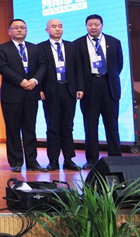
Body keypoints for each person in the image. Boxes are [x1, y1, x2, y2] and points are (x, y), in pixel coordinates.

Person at [0, 19, 47, 172]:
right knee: (13, 129)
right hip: (12, 94)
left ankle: (32, 162)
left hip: (31, 93)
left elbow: (42, 65)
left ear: (26, 31)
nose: (19, 30)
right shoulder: (2, 48)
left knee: (30, 128)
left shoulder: (35, 48)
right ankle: (16, 162)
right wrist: (21, 81)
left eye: (22, 28)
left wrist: (35, 80)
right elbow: (3, 68)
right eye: (16, 28)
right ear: (9, 31)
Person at [75, 13, 124, 169]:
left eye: (96, 24)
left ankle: (115, 157)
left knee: (112, 124)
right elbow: (77, 68)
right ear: (86, 26)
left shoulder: (114, 42)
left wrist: (109, 77)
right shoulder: (78, 44)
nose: (93, 27)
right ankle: (91, 159)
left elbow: (119, 65)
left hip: (109, 85)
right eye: (90, 25)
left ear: (102, 25)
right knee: (90, 125)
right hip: (90, 86)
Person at [38, 18, 80, 171]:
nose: (57, 29)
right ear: (47, 30)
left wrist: (79, 88)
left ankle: (69, 160)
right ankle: (53, 160)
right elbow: (38, 70)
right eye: (54, 26)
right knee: (53, 127)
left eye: (60, 26)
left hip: (69, 90)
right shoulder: (40, 48)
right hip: (51, 91)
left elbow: (78, 68)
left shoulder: (72, 46)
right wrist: (39, 89)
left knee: (68, 126)